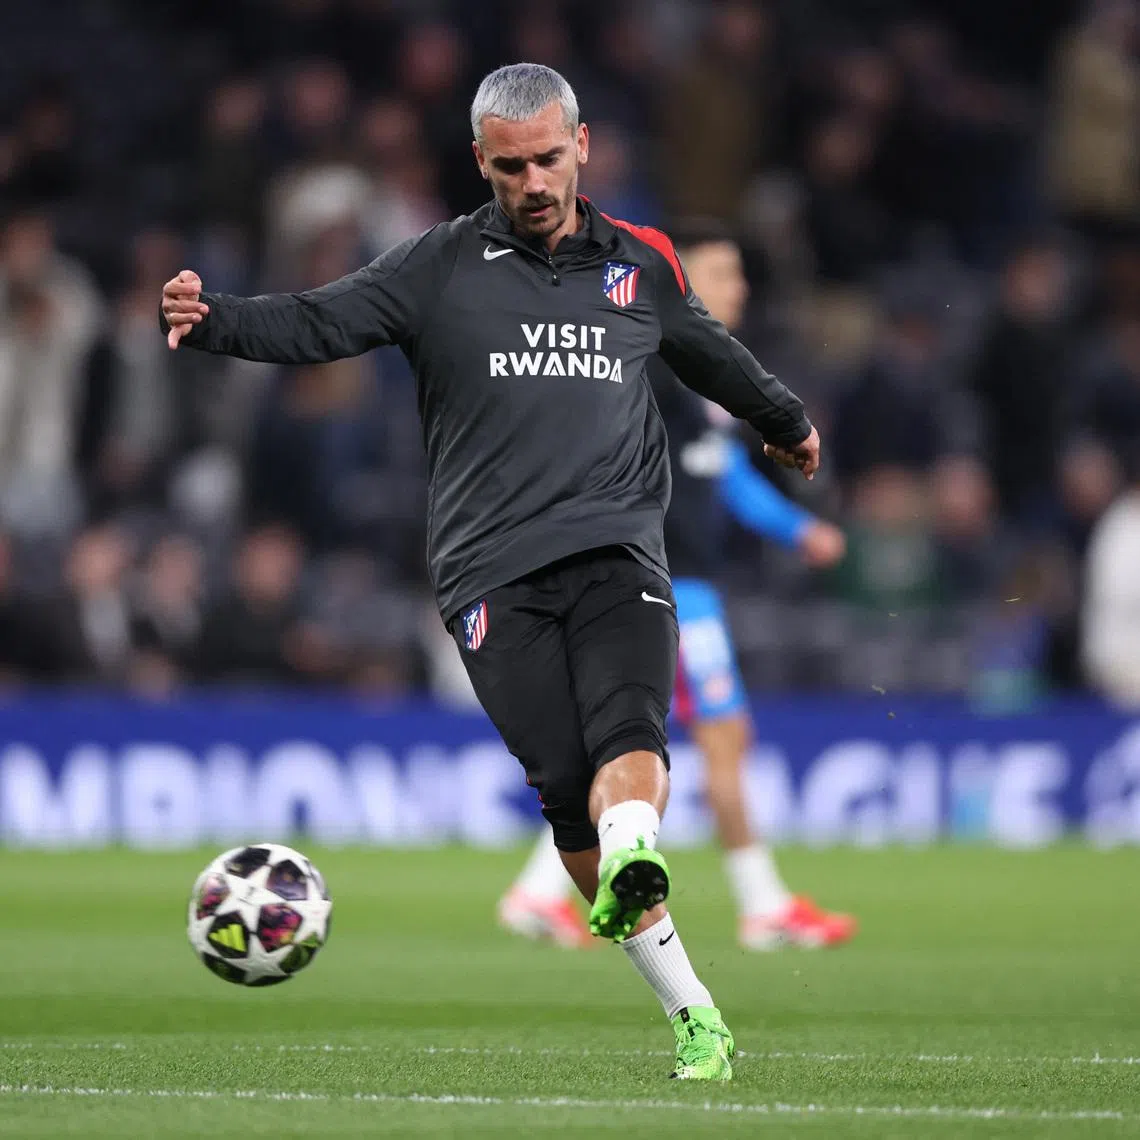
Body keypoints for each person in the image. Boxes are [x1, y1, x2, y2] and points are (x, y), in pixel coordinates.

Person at [161, 63, 819, 1083]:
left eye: (549, 159)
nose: (534, 182)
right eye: (511, 167)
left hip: (617, 545)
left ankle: (640, 859)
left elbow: (707, 352)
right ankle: (691, 999)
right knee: (564, 795)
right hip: (488, 574)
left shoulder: (639, 263)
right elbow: (323, 320)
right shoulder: (439, 266)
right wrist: (214, 321)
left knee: (630, 729)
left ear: (582, 146)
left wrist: (785, 421)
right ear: (481, 161)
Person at [499, 222, 855, 952]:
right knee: (721, 738)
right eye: (721, 273)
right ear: (682, 281)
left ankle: (538, 892)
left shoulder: (694, 378)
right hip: (664, 586)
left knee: (638, 751)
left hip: (678, 585)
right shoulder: (649, 368)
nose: (739, 288)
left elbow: (722, 472)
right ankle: (763, 907)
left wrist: (795, 529)